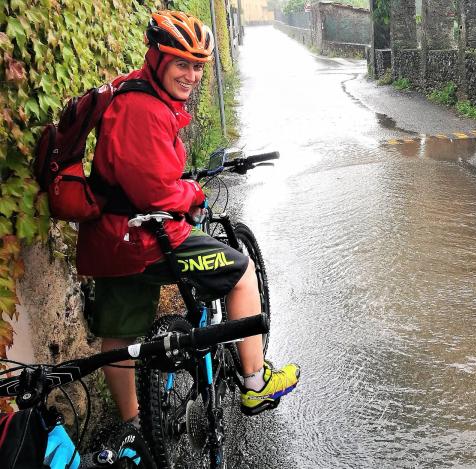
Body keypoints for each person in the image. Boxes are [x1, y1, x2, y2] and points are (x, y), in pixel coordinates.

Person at [76, 10, 299, 423]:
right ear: (158, 59)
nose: (193, 76)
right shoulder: (144, 109)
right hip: (146, 238)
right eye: (183, 64)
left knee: (120, 336)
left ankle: (132, 428)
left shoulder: (133, 91)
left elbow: (139, 174)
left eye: (198, 66)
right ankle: (254, 382)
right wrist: (192, 192)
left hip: (111, 240)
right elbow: (155, 192)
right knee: (241, 272)